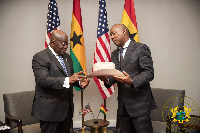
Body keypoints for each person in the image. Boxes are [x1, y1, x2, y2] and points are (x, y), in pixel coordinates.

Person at [98, 24, 156, 133]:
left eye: (114, 33)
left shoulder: (140, 48)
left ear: (124, 32)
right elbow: (114, 76)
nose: (112, 37)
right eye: (111, 35)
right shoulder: (114, 54)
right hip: (123, 107)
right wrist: (106, 79)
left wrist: (132, 81)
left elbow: (149, 72)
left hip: (140, 105)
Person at [32, 30, 90, 133]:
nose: (66, 46)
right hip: (49, 111)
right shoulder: (40, 57)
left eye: (67, 43)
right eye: (62, 43)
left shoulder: (67, 57)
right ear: (52, 42)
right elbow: (42, 80)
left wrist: (80, 83)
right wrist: (68, 79)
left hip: (66, 110)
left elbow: (70, 78)